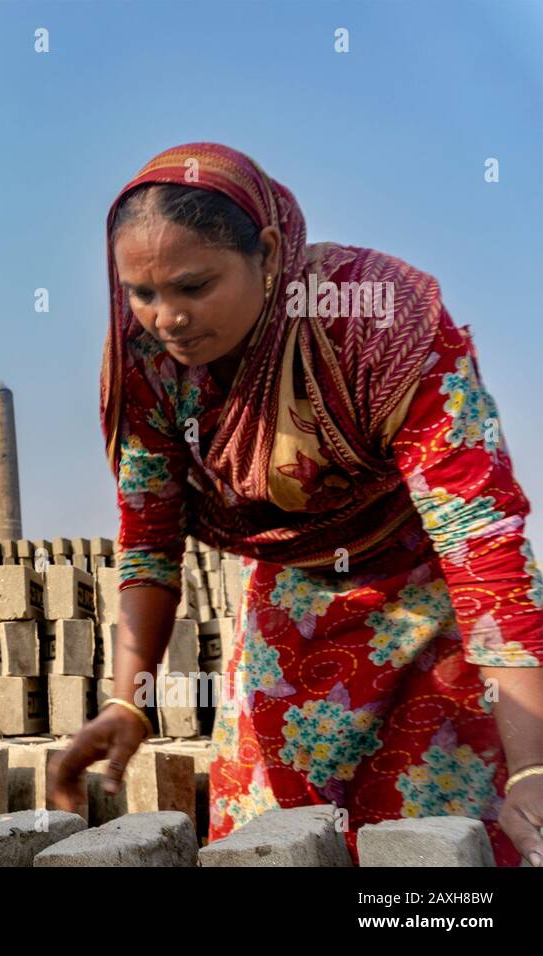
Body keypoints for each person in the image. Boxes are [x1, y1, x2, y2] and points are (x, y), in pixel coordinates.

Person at [48, 142, 543, 866]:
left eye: (193, 286)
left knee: (436, 852)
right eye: (141, 293)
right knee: (273, 842)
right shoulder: (146, 364)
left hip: (431, 609)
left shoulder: (378, 320)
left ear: (271, 253)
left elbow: (481, 543)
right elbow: (151, 538)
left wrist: (532, 763)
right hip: (293, 620)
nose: (168, 318)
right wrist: (130, 700)